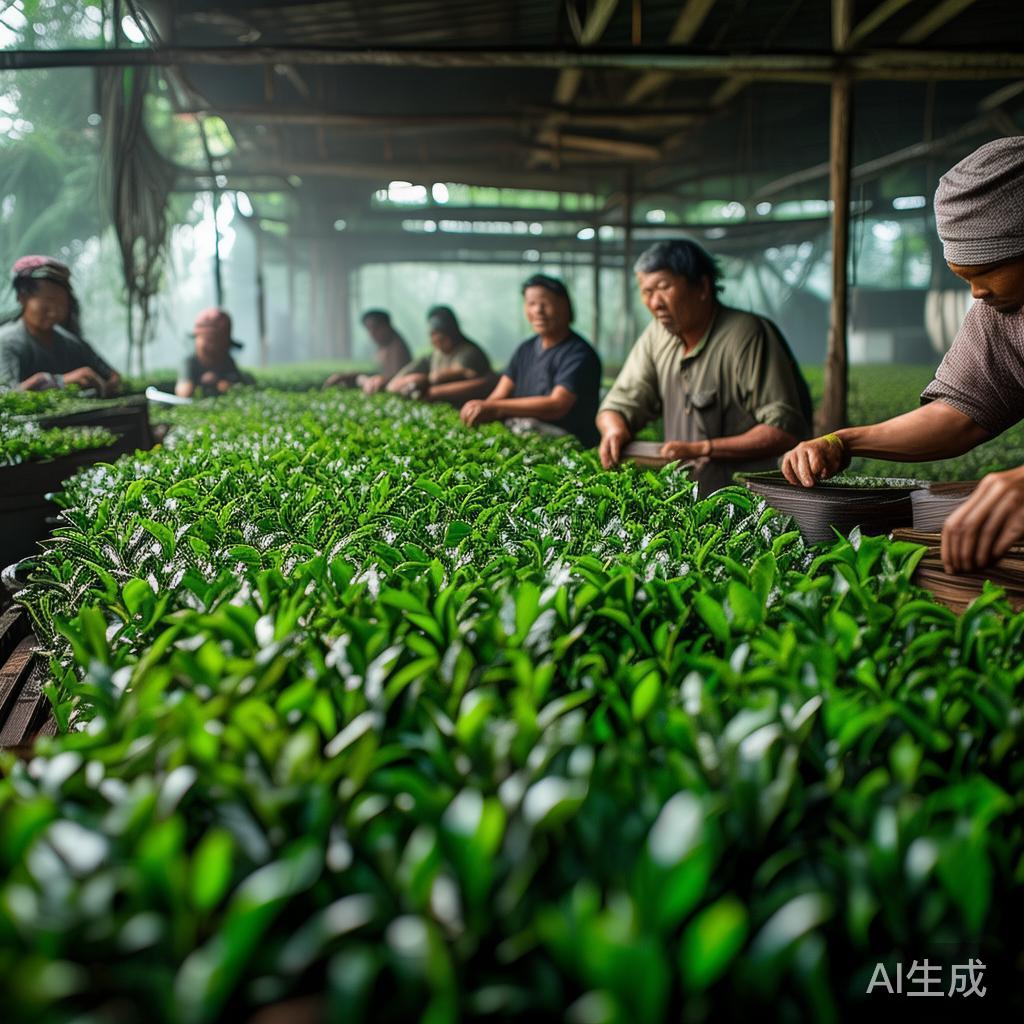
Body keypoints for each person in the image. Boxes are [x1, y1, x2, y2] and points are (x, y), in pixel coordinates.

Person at [782, 136, 1024, 574]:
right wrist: (845, 442)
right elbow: (961, 413)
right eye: (963, 277)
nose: (977, 292)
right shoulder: (1001, 310)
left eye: (987, 271)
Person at [596, 239, 812, 494]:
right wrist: (614, 429)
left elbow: (783, 431)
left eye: (664, 287)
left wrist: (703, 449)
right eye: (646, 291)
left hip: (749, 500)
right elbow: (620, 402)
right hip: (686, 498)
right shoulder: (657, 336)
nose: (655, 303)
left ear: (702, 286)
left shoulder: (747, 335)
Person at [460, 275, 601, 446]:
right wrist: (480, 408)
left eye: (544, 303)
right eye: (531, 304)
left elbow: (557, 405)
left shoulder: (579, 353)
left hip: (567, 442)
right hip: (525, 435)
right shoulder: (525, 349)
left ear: (565, 305)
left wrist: (495, 408)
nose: (537, 310)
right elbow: (499, 394)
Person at [0, 255, 120, 394]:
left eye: (61, 305)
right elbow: (5, 396)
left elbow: (113, 376)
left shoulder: (71, 344)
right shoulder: (6, 343)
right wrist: (58, 382)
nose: (54, 313)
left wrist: (105, 388)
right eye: (47, 304)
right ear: (22, 298)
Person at [386, 305, 495, 406]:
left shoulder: (469, 353)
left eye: (437, 334)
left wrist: (430, 383)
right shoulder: (436, 354)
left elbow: (465, 375)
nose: (433, 339)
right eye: (432, 334)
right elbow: (399, 379)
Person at [323, 309, 411, 394]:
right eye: (369, 329)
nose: (372, 333)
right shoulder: (383, 347)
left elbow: (396, 380)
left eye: (376, 328)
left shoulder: (397, 348)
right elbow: (377, 372)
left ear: (386, 326)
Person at [175, 307, 254, 398]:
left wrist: (225, 384)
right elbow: (184, 391)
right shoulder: (190, 362)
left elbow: (239, 384)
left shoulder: (227, 361)